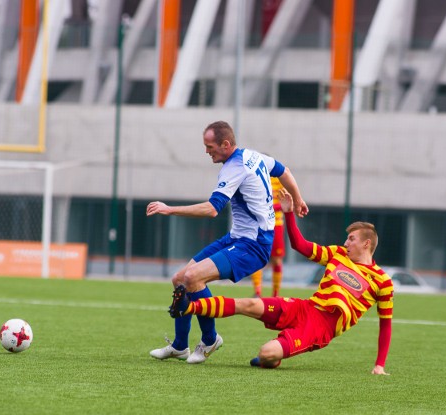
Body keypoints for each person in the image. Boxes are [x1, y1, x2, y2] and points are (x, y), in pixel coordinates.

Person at [169, 189, 393, 374]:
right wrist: (288, 213)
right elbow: (300, 246)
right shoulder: (337, 254)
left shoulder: (382, 282)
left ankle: (272, 359)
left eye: (351, 239)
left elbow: (385, 325)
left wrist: (379, 365)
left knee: (266, 353)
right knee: (248, 304)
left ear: (367, 244)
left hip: (320, 327)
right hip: (305, 307)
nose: (346, 242)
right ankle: (188, 307)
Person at [146, 121, 308, 364]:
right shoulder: (254, 156)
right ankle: (180, 347)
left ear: (225, 144)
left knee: (193, 278)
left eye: (210, 146)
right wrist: (298, 198)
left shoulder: (234, 167)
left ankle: (210, 339)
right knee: (180, 278)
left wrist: (169, 209)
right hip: (237, 237)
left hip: (253, 245)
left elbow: (212, 209)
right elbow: (284, 171)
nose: (206, 151)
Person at [250, 176, 285, 297]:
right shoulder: (254, 178)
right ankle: (257, 292)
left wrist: (267, 208)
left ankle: (275, 294)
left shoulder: (279, 180)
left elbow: (285, 202)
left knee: (276, 260)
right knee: (256, 257)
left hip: (276, 225)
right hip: (258, 224)